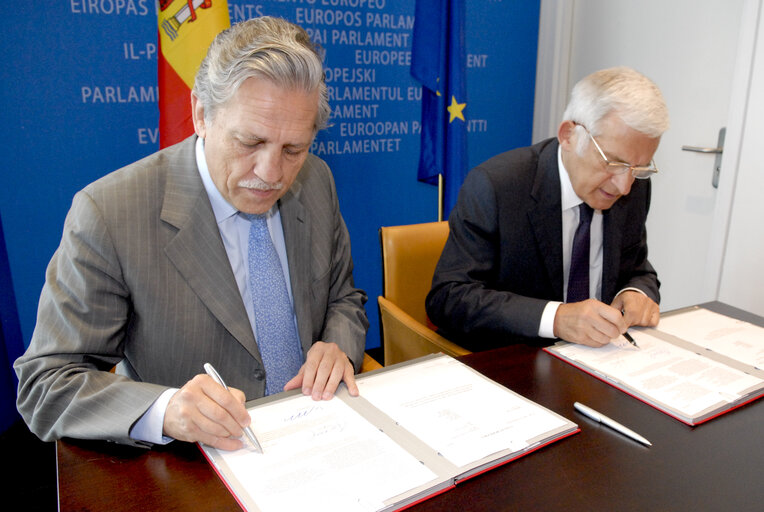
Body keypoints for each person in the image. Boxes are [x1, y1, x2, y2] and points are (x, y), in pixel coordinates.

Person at [14, 17, 368, 451]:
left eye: (293, 149)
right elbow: (46, 384)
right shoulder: (109, 213)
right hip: (194, 466)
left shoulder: (317, 181)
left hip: (319, 436)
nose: (271, 174)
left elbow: (344, 298)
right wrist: (165, 410)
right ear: (201, 113)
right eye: (250, 142)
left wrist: (336, 345)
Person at [426, 67, 668, 351]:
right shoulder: (497, 187)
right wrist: (556, 318)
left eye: (639, 168)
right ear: (568, 136)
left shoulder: (634, 187)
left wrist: (635, 292)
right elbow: (450, 298)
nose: (625, 185)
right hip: (513, 359)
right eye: (614, 163)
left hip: (599, 359)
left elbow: (637, 268)